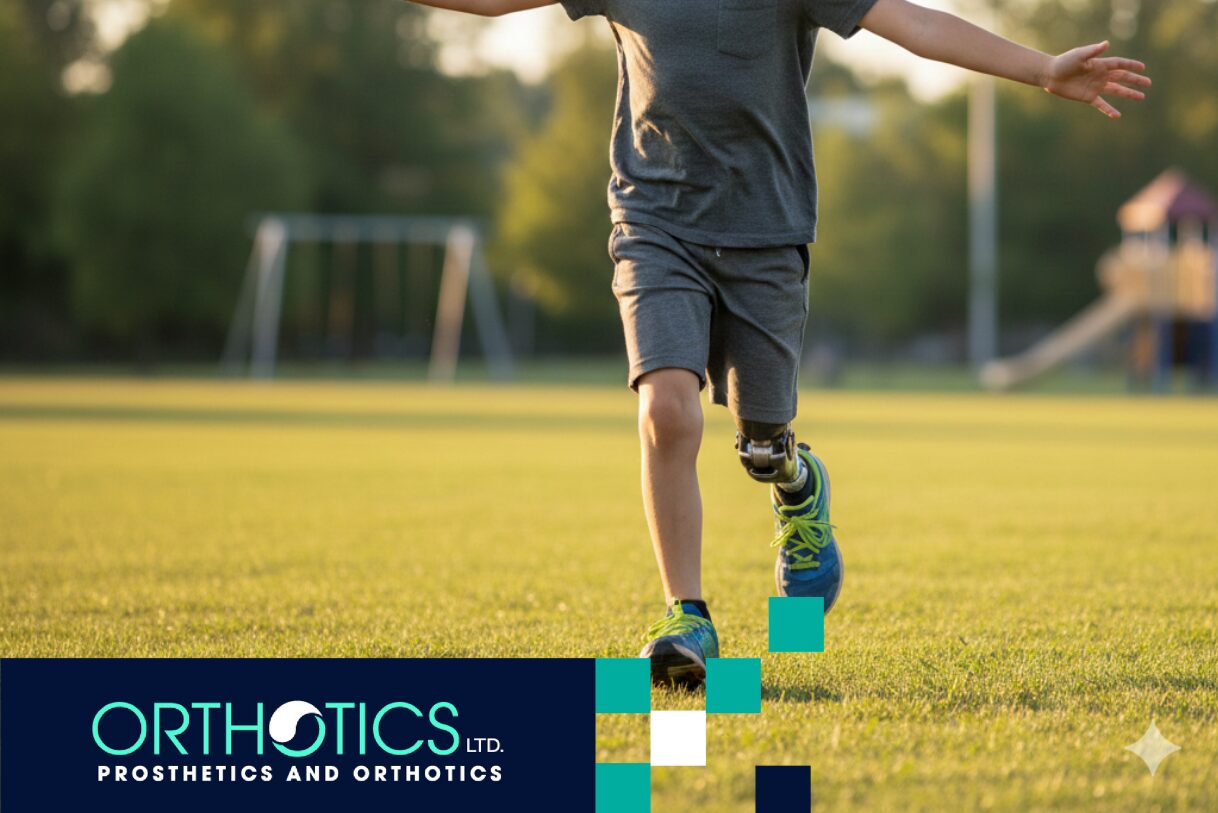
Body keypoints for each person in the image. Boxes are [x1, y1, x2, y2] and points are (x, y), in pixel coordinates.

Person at [408, 0, 1150, 685]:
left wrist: (1042, 69)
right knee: (669, 410)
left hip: (767, 235)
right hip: (655, 225)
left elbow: (917, 28)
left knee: (760, 447)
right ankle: (687, 617)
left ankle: (798, 484)